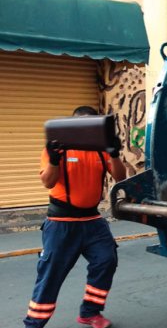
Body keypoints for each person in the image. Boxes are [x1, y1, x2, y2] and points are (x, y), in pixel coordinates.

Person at [24, 106, 126, 328]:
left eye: (90, 126)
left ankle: (90, 312)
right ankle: (33, 324)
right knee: (51, 275)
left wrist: (115, 153)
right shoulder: (57, 149)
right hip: (61, 224)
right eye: (81, 126)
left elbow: (120, 177)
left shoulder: (101, 150)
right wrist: (52, 160)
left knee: (106, 261)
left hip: (93, 222)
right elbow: (48, 183)